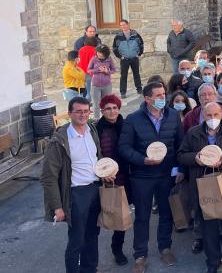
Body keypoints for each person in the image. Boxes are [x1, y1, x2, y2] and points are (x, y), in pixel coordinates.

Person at [42, 96, 114, 273]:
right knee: (77, 240)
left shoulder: (92, 130)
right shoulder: (59, 140)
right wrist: (57, 207)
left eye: (86, 111)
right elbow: (48, 177)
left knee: (92, 235)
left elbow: (96, 159)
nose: (83, 115)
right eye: (78, 111)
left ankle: (90, 269)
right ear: (69, 114)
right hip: (76, 195)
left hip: (95, 190)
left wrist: (104, 173)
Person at [118, 82, 184, 273]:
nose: (163, 98)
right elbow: (124, 148)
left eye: (164, 94)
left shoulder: (173, 116)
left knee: (166, 213)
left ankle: (165, 248)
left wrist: (180, 168)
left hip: (166, 175)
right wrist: (143, 160)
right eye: (158, 95)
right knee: (142, 216)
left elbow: (180, 144)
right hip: (142, 176)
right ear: (147, 99)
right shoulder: (133, 119)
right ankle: (140, 255)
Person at [176, 101, 222, 273]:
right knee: (209, 229)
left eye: (216, 115)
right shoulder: (193, 133)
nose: (212, 118)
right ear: (203, 116)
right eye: (209, 115)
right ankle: (213, 261)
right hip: (203, 187)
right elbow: (181, 155)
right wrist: (196, 158)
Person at [95, 94, 130, 266]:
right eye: (108, 108)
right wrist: (102, 172)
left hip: (123, 176)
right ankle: (90, 257)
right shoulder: (97, 129)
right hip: (103, 177)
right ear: (102, 110)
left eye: (115, 107)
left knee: (119, 214)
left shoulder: (125, 125)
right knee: (100, 215)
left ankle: (117, 249)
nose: (112, 111)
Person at [112, 19, 144, 98]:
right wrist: (120, 56)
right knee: (123, 76)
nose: (123, 26)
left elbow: (141, 44)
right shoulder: (118, 36)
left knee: (136, 74)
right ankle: (123, 92)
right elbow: (114, 48)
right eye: (121, 25)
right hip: (124, 59)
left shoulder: (135, 34)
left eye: (124, 25)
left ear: (128, 25)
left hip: (134, 58)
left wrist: (139, 54)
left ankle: (139, 89)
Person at [87, 44, 116, 119]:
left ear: (105, 53)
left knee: (106, 104)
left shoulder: (109, 59)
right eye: (97, 52)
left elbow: (114, 70)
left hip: (107, 85)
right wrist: (97, 70)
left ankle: (106, 119)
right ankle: (96, 120)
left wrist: (107, 71)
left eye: (100, 52)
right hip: (95, 85)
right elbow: (88, 70)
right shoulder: (94, 59)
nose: (98, 54)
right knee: (96, 105)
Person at [78, 36, 98, 101]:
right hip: (90, 71)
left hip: (81, 70)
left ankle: (83, 101)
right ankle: (88, 102)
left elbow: (79, 60)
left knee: (83, 87)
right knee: (89, 90)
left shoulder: (81, 49)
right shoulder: (94, 50)